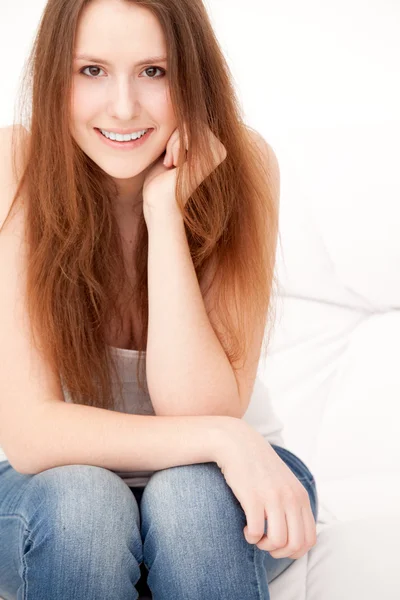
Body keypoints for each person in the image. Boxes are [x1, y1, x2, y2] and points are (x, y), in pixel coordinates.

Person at [0, 0, 319, 598]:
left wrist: (165, 211)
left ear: (193, 75)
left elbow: (196, 404)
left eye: (156, 72)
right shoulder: (15, 163)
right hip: (54, 497)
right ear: (52, 76)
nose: (123, 107)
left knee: (190, 498)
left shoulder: (244, 165)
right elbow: (32, 434)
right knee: (83, 503)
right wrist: (226, 437)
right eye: (90, 70)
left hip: (225, 488)